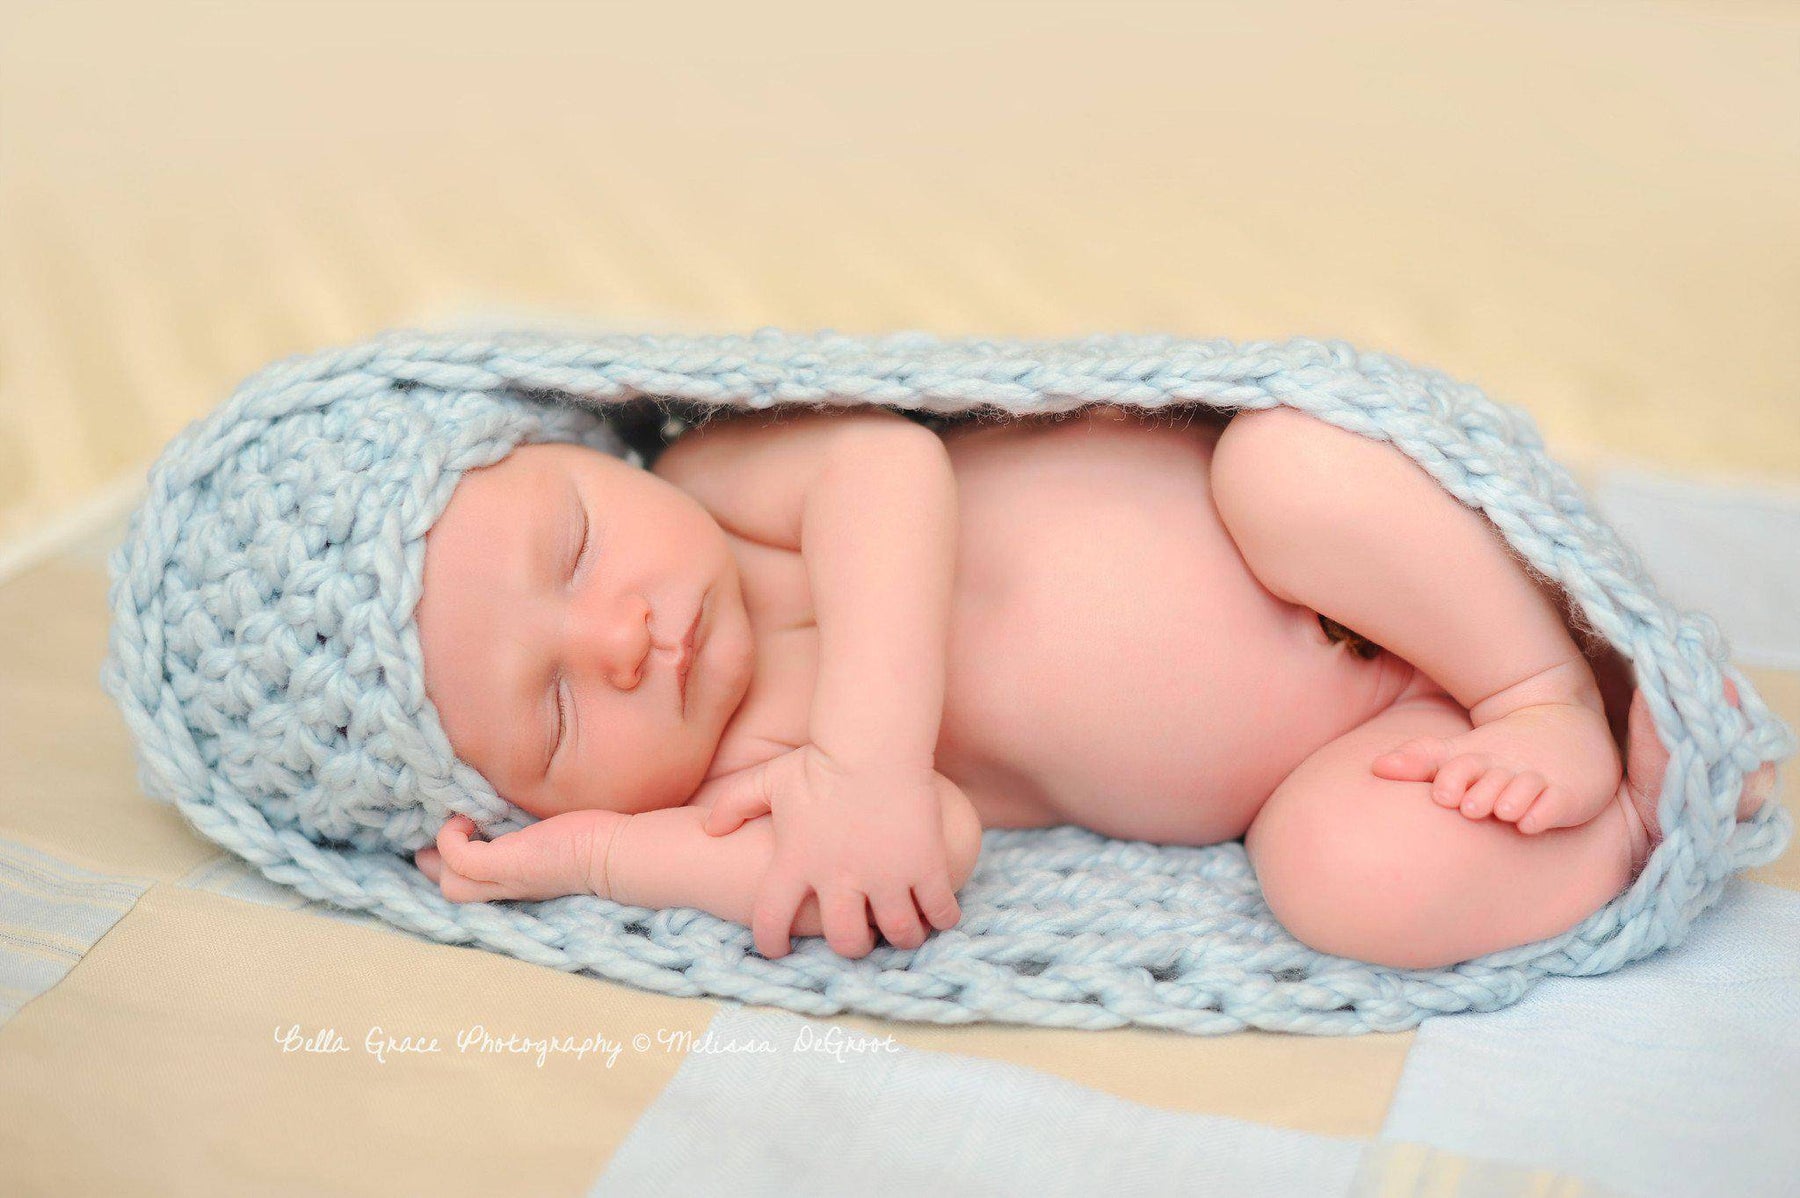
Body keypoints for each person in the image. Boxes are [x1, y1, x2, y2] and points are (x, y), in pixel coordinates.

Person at [407, 402, 1777, 969]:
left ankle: (1545, 682)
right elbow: (916, 853)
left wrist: (863, 759)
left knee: (1289, 463)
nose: (618, 640)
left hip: (1343, 560)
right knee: (1337, 881)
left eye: (576, 545)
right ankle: (1634, 824)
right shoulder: (740, 778)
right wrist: (598, 857)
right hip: (1334, 757)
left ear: (593, 453)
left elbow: (889, 468)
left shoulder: (718, 483)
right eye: (557, 716)